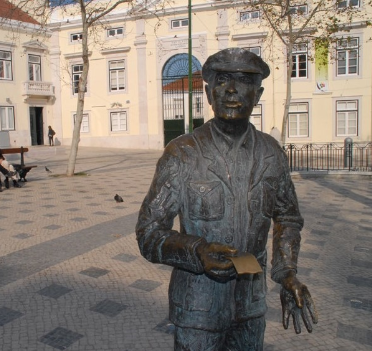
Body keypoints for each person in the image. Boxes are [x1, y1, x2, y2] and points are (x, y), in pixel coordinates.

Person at [136, 48, 318, 350]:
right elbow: (148, 232)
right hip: (197, 307)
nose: (232, 90)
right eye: (222, 81)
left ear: (257, 94)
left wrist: (287, 273)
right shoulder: (181, 154)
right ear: (208, 93)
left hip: (250, 307)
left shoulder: (272, 153)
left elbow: (287, 217)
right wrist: (197, 251)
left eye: (244, 81)